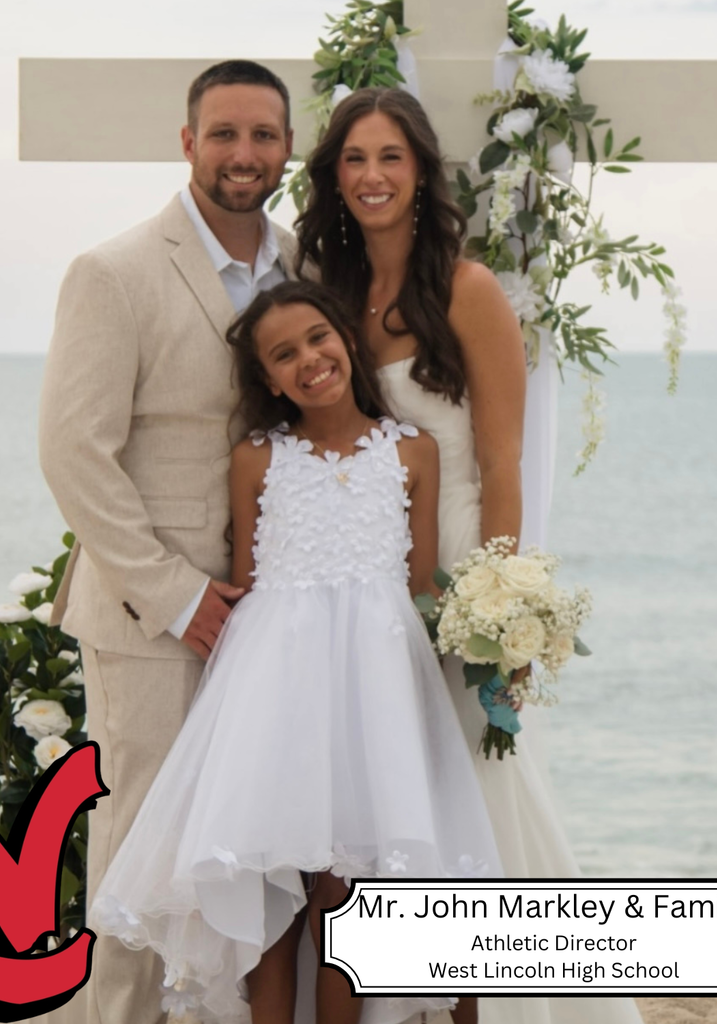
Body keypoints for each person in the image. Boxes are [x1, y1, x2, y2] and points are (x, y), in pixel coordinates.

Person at [296, 87, 644, 1024]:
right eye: (354, 159)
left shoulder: (469, 290)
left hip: (453, 571)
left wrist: (497, 602)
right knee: (370, 805)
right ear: (333, 176)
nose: (371, 176)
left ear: (420, 175)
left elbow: (501, 459)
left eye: (390, 158)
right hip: (359, 576)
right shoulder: (322, 291)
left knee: (471, 786)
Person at [88, 280, 503, 1024]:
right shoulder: (256, 458)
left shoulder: (414, 451)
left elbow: (419, 588)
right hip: (275, 689)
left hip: (376, 686)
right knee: (268, 890)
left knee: (346, 895)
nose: (309, 360)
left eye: (318, 338)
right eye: (284, 355)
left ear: (345, 336)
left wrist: (489, 641)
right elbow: (250, 581)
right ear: (268, 379)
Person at [38, 60, 297, 1024]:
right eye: (223, 133)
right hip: (154, 617)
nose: (243, 153)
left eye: (262, 135)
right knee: (141, 841)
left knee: (256, 837)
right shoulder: (114, 272)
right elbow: (75, 454)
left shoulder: (301, 261)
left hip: (274, 609)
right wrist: (178, 596)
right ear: (188, 142)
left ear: (286, 149)